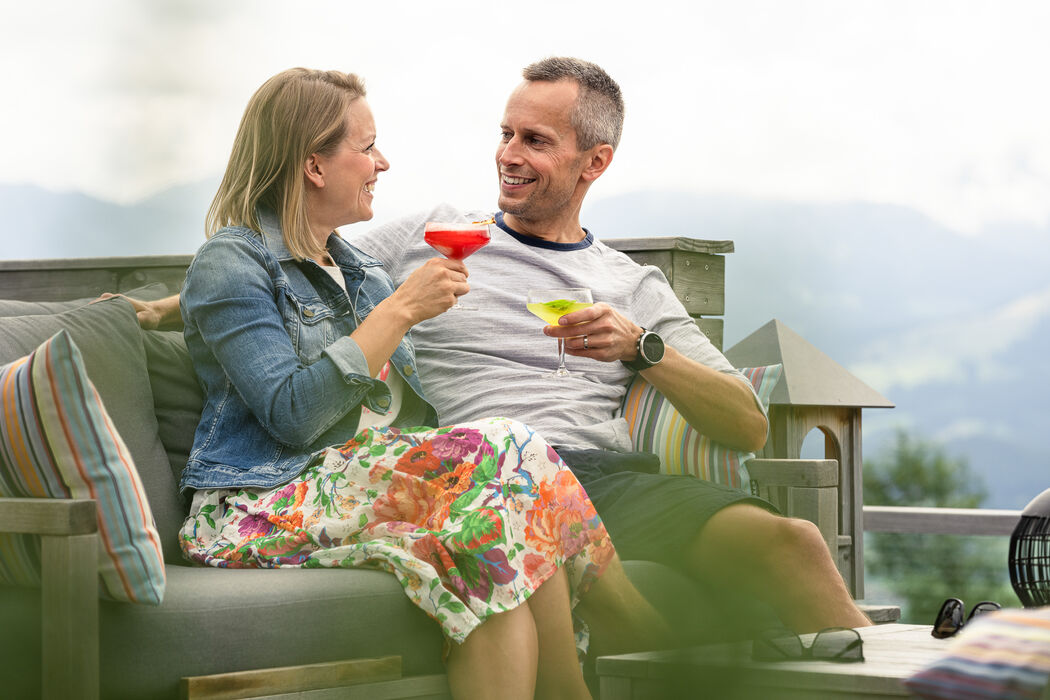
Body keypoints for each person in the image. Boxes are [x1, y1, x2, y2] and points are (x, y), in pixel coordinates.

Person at [123, 58, 870, 640]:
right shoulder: (435, 236)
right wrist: (164, 305)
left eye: (535, 141)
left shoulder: (629, 284)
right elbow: (289, 254)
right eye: (506, 133)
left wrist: (641, 351)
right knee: (514, 465)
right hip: (474, 468)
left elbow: (742, 423)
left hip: (610, 479)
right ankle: (643, 635)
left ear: (595, 162)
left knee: (794, 542)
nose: (507, 155)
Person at [173, 66, 664, 700]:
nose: (383, 162)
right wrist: (399, 311)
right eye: (366, 146)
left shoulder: (361, 271)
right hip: (263, 505)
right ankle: (625, 630)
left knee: (495, 551)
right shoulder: (233, 262)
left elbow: (401, 421)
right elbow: (291, 415)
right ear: (314, 166)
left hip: (361, 490)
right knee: (510, 445)